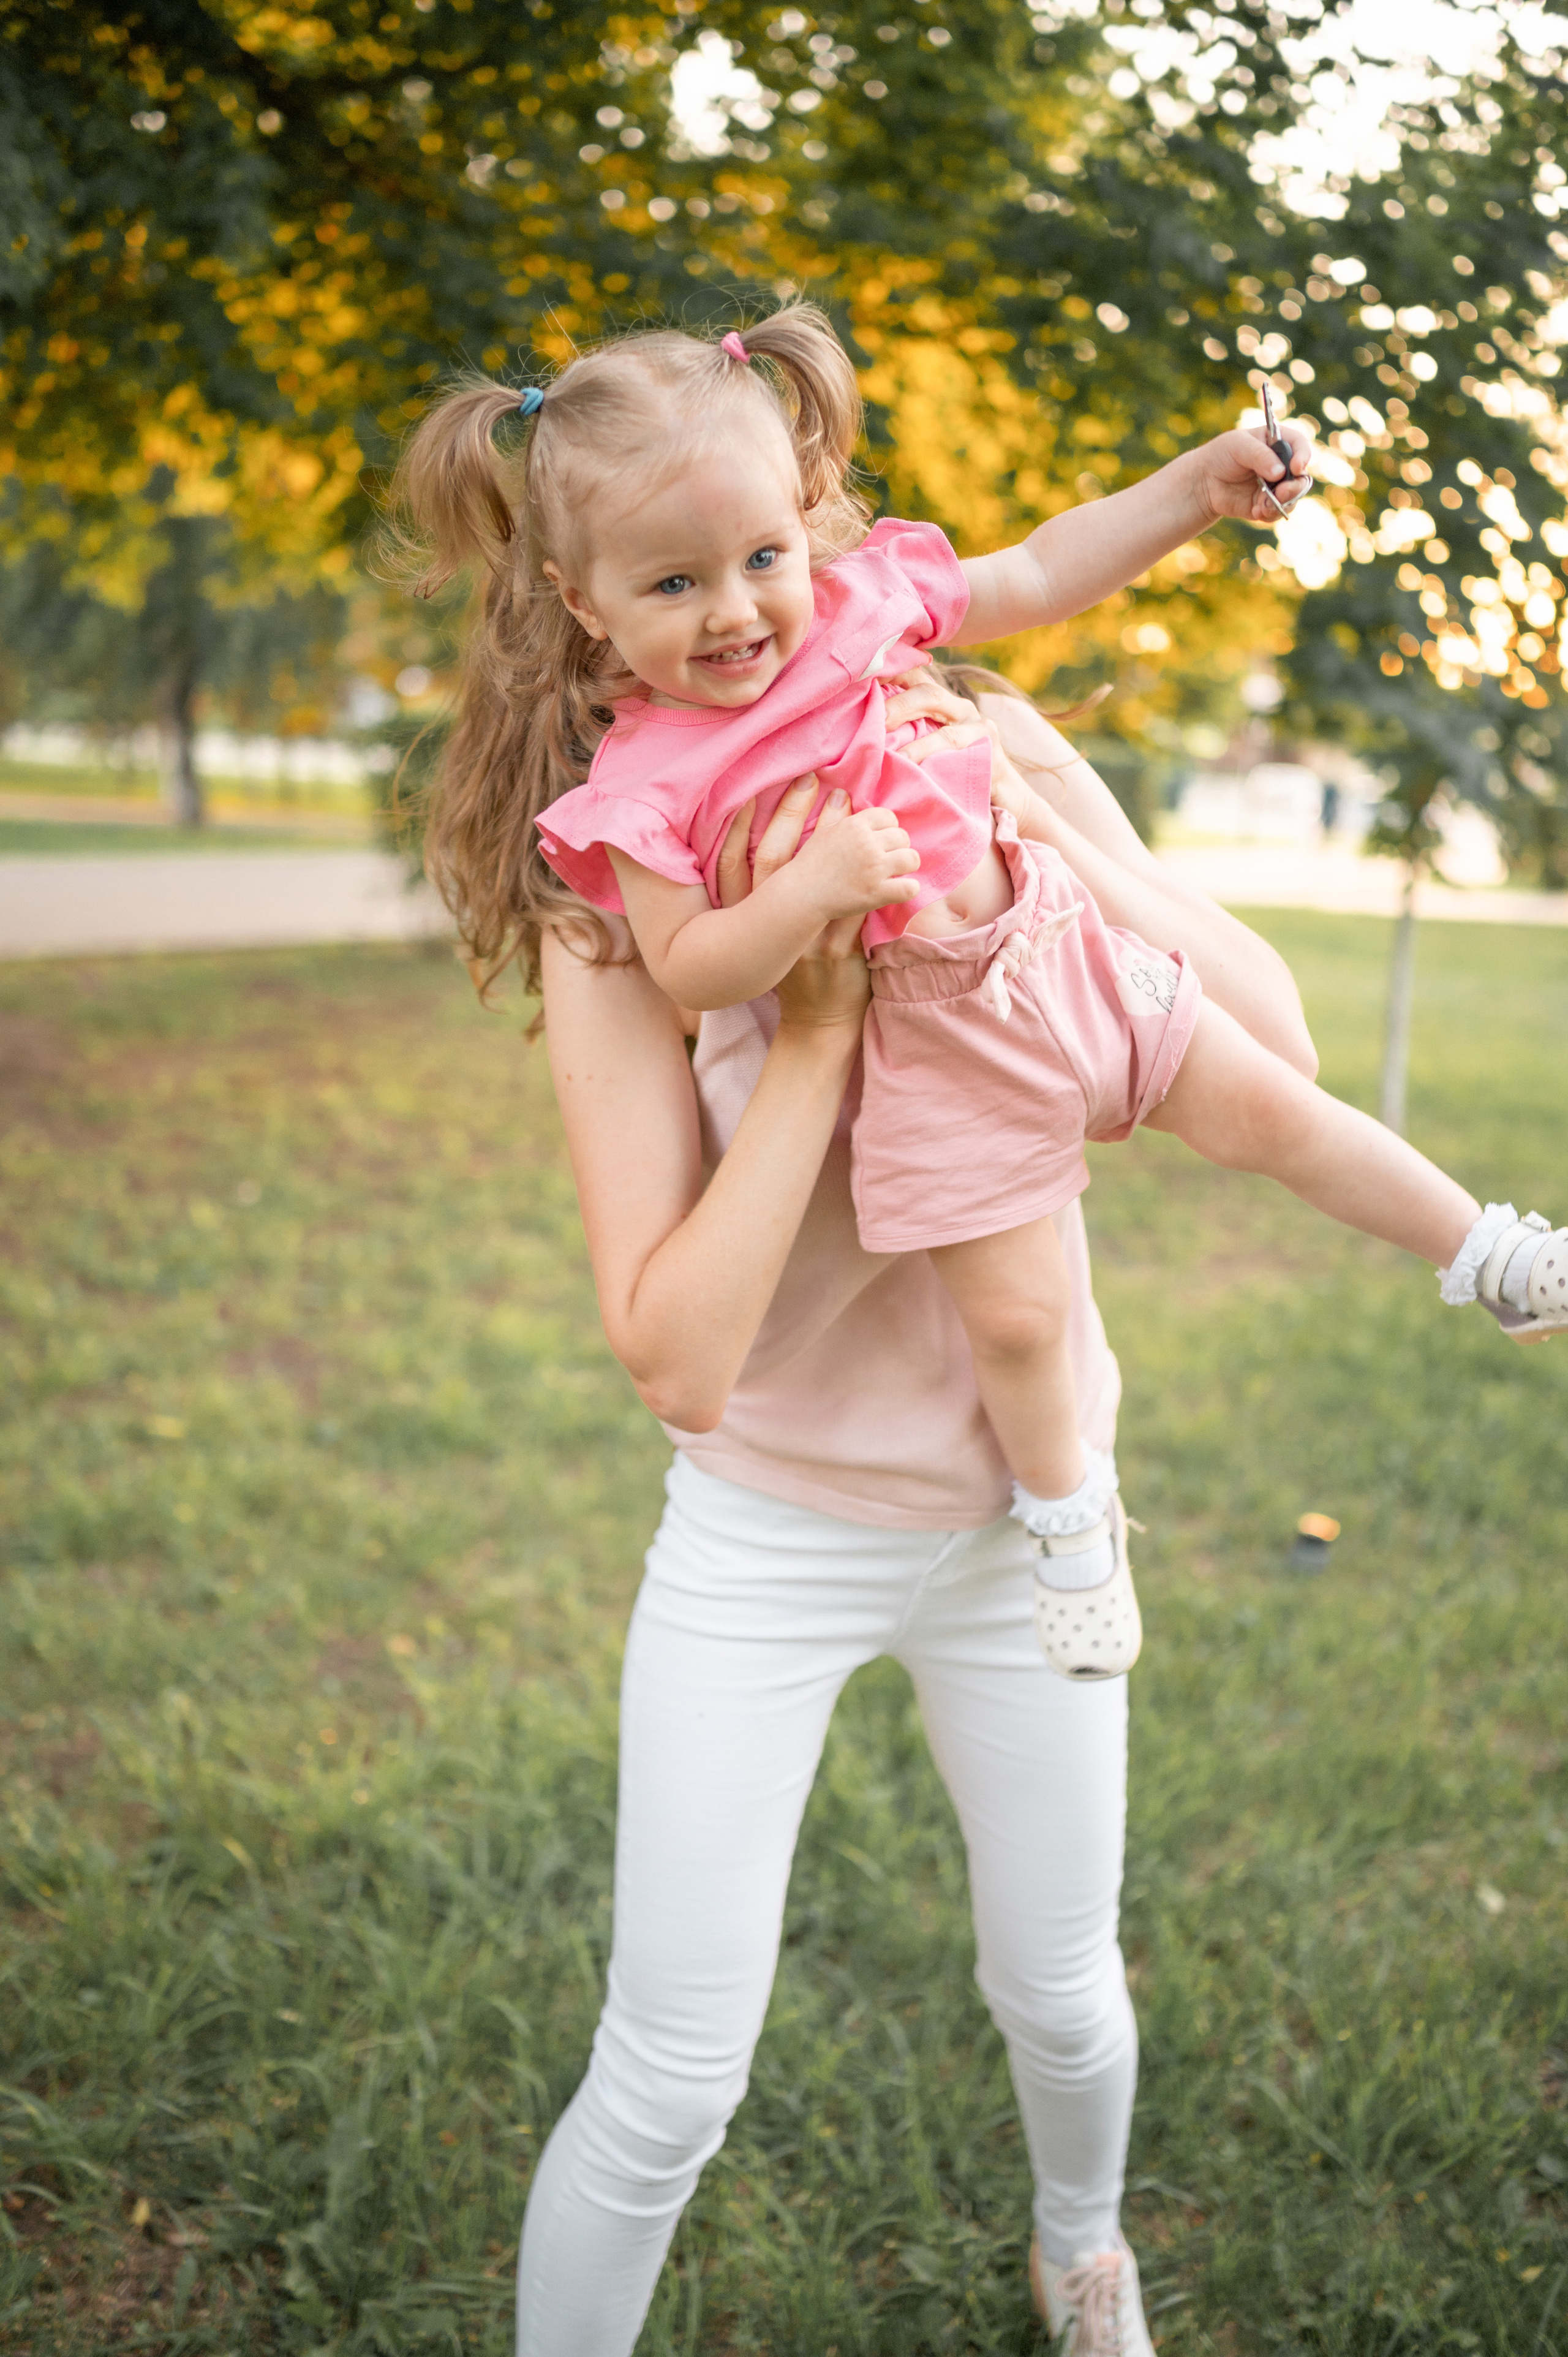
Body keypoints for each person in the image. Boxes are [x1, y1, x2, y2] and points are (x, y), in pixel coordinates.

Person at [394, 303, 1567, 1689]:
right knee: (1019, 1320)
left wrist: (1194, 488)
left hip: (1052, 943)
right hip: (931, 1052)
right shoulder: (639, 790)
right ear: (584, 602)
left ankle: (1487, 1250)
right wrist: (807, 891)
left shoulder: (862, 605)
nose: (735, 610)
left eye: (762, 557)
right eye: (674, 585)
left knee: (1272, 1112)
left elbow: (1042, 566)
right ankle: (1070, 1520)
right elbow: (692, 963)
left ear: (806, 520)